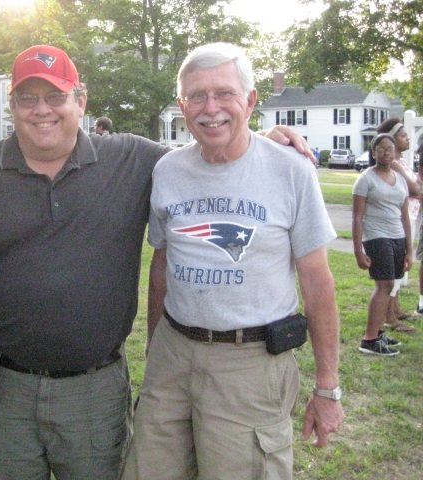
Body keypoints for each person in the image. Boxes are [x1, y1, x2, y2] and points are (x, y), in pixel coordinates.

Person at [0, 44, 316, 480]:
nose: (42, 110)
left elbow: (209, 144)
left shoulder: (131, 160)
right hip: (5, 389)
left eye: (55, 96)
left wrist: (260, 139)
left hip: (95, 392)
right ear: (12, 105)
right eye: (27, 98)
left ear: (81, 100)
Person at [121, 43, 344, 480]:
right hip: (172, 355)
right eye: (197, 97)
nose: (211, 108)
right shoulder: (167, 170)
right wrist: (154, 347)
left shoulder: (290, 170)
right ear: (182, 106)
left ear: (251, 100)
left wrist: (327, 387)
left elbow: (318, 283)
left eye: (224, 93)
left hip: (251, 363)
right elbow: (162, 264)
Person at [353, 133, 411, 356]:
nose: (387, 152)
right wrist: (358, 250)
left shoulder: (400, 180)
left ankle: (378, 333)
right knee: (384, 285)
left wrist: (409, 250)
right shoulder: (365, 179)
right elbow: (357, 217)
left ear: (395, 153)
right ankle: (369, 340)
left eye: (390, 149)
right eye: (382, 148)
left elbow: (404, 216)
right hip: (377, 237)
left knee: (390, 285)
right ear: (374, 152)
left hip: (398, 237)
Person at [376, 118, 420, 332]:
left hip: (409, 216)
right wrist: (418, 187)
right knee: (395, 266)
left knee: (401, 265)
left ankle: (396, 309)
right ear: (391, 140)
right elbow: (415, 189)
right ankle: (389, 317)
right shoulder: (393, 163)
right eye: (403, 135)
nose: (407, 138)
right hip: (397, 220)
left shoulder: (401, 162)